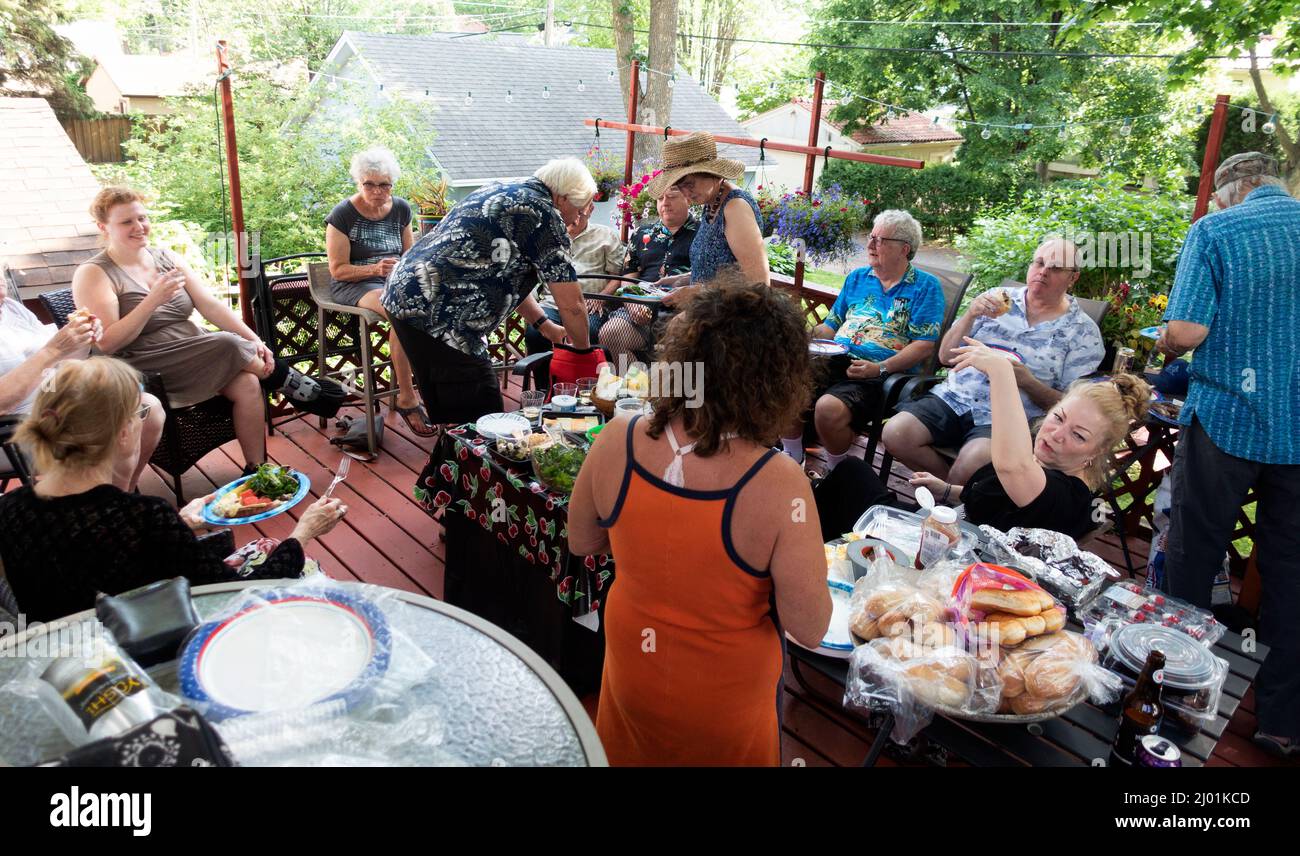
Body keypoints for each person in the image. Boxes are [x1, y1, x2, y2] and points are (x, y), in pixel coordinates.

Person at [568, 277, 831, 766]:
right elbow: (810, 628)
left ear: (679, 360)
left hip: (633, 662)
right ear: (778, 380)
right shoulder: (779, 482)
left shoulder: (617, 438)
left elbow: (583, 540)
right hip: (724, 694)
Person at [0, 358, 346, 622]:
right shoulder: (144, 517)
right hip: (146, 657)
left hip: (66, 660)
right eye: (139, 412)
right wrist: (303, 533)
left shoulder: (10, 509)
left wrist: (180, 525)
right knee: (303, 569)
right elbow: (240, 592)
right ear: (122, 432)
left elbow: (94, 556)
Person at [1155, 152, 1300, 758]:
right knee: (1292, 577)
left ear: (1234, 190)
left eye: (1215, 198)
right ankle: (1282, 722)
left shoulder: (1217, 230)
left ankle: (1176, 701)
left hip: (1228, 419)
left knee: (1194, 555)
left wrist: (1165, 336)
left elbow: (1186, 331)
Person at [72, 187, 331, 476]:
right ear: (103, 227)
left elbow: (209, 305)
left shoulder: (165, 257)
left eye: (142, 218)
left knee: (246, 382)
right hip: (143, 367)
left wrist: (256, 341)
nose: (139, 227)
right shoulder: (94, 272)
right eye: (126, 222)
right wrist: (152, 301)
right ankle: (290, 382)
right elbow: (107, 342)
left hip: (195, 353)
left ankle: (257, 469)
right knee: (226, 343)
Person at [816, 342, 1151, 543]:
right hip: (943, 528)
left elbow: (1013, 470)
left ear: (1096, 453)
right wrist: (947, 490)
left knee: (847, 483)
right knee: (851, 475)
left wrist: (1002, 373)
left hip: (948, 569)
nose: (1056, 434)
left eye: (1078, 435)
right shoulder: (1042, 466)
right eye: (1058, 417)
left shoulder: (1069, 497)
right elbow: (998, 492)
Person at [381, 158, 596, 424]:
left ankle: (451, 457)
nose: (578, 217)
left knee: (458, 413)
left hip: (404, 294)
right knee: (484, 418)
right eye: (581, 209)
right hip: (442, 313)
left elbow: (503, 277)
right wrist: (583, 355)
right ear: (564, 198)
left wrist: (543, 324)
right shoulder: (545, 216)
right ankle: (457, 460)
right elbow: (572, 305)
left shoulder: (504, 188)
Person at [883, 237, 1105, 485]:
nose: (1043, 272)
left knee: (970, 463)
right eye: (1039, 263)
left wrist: (1027, 382)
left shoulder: (1083, 332)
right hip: (955, 397)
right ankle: (956, 493)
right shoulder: (997, 300)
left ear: (1073, 278)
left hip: (1010, 416)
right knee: (896, 433)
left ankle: (947, 499)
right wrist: (970, 313)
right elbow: (946, 356)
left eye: (1055, 268)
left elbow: (1070, 405)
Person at [778, 209, 944, 473]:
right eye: (871, 237)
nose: (869, 244)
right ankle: (792, 458)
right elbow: (832, 324)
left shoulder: (926, 287)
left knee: (828, 409)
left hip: (880, 375)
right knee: (782, 382)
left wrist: (880, 368)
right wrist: (803, 339)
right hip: (835, 358)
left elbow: (924, 345)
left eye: (879, 240)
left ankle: (837, 473)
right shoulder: (857, 278)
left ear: (904, 248)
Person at [1, 271, 163, 490]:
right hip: (16, 433)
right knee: (120, 424)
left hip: (58, 407)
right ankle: (113, 503)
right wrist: (52, 349)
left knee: (148, 408)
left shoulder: (11, 309)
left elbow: (57, 365)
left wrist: (82, 339)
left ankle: (122, 497)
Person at [325, 146, 429, 435]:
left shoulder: (401, 209)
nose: (377, 191)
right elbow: (337, 269)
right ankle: (407, 397)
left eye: (384, 184)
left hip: (393, 281)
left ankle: (431, 388)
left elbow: (410, 255)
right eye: (369, 184)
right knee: (399, 310)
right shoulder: (343, 214)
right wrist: (374, 269)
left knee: (434, 307)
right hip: (355, 282)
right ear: (359, 183)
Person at [644, 132, 768, 307]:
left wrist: (697, 291)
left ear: (711, 173)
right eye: (680, 187)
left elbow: (758, 283)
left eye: (689, 184)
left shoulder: (735, 207)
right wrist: (684, 279)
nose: (686, 193)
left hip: (733, 320)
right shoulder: (711, 201)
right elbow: (720, 269)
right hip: (708, 312)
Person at [598, 185, 698, 362]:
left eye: (672, 197)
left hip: (684, 312)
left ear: (688, 199)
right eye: (660, 198)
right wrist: (633, 304)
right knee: (610, 333)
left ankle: (667, 387)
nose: (665, 203)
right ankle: (639, 386)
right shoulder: (641, 233)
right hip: (640, 311)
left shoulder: (703, 233)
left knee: (683, 347)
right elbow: (628, 276)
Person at [523, 200, 623, 357]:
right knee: (535, 334)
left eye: (580, 213)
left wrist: (601, 298)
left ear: (591, 209)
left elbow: (616, 277)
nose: (574, 220)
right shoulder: (549, 236)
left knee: (590, 332)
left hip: (590, 304)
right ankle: (544, 382)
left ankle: (582, 379)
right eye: (571, 213)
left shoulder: (606, 235)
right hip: (552, 302)